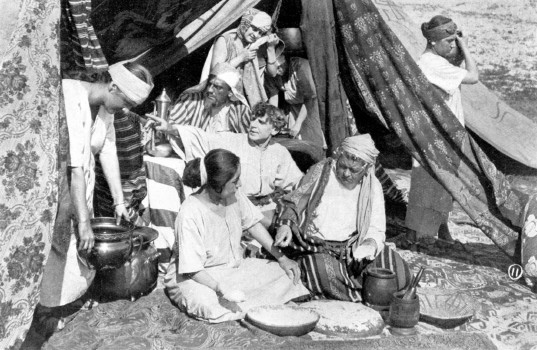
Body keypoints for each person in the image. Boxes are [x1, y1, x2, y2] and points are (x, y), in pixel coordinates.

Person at [39, 62, 154, 308]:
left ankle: (64, 302)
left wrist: (119, 201)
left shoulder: (105, 109)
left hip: (80, 184)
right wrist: (83, 221)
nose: (126, 110)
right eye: (127, 103)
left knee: (76, 244)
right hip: (58, 182)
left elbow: (107, 149)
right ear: (113, 86)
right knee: (60, 242)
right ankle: (45, 306)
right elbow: (75, 167)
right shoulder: (71, 96)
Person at [164, 149, 308, 322]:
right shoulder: (190, 212)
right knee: (208, 305)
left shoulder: (234, 195)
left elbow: (253, 224)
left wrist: (282, 258)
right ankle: (253, 306)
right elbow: (192, 269)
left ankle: (247, 306)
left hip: (233, 269)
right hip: (197, 278)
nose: (239, 184)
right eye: (234, 181)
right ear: (217, 185)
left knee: (286, 275)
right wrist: (220, 288)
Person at [273, 135, 411, 301]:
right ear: (337, 157)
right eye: (343, 166)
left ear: (366, 168)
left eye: (353, 170)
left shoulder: (372, 185)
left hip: (353, 246)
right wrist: (286, 225)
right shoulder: (321, 171)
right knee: (318, 270)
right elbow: (296, 199)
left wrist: (369, 245)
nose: (346, 173)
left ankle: (368, 292)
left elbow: (376, 227)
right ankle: (370, 295)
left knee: (399, 270)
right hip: (317, 246)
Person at [149, 102, 303, 227]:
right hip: (235, 207)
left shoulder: (279, 152)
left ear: (275, 129)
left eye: (261, 122)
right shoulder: (232, 141)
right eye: (253, 119)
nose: (253, 125)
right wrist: (169, 128)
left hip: (268, 208)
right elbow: (202, 137)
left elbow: (296, 183)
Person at [405, 15, 479, 241]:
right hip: (438, 135)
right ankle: (420, 235)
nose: (453, 45)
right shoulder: (433, 65)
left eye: (454, 41)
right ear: (434, 43)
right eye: (448, 41)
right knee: (430, 184)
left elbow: (453, 61)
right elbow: (474, 76)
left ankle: (437, 229)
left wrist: (456, 42)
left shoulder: (433, 61)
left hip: (437, 133)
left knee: (440, 184)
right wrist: (464, 44)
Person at [200, 8, 282, 108]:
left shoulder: (255, 44)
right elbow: (215, 71)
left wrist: (271, 48)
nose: (256, 35)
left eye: (260, 33)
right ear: (246, 23)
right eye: (255, 29)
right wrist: (241, 58)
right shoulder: (226, 39)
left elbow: (273, 73)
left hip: (244, 102)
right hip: (222, 99)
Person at [168, 63, 251, 133]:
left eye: (217, 87)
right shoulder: (190, 100)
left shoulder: (240, 110)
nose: (210, 90)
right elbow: (170, 124)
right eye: (209, 84)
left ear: (230, 92)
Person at [265, 54, 327, 149]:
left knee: (315, 141)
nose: (277, 72)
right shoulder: (272, 73)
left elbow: (310, 98)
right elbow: (274, 96)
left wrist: (298, 123)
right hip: (293, 107)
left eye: (279, 68)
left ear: (285, 62)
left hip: (309, 106)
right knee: (295, 140)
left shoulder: (300, 67)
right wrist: (272, 119)